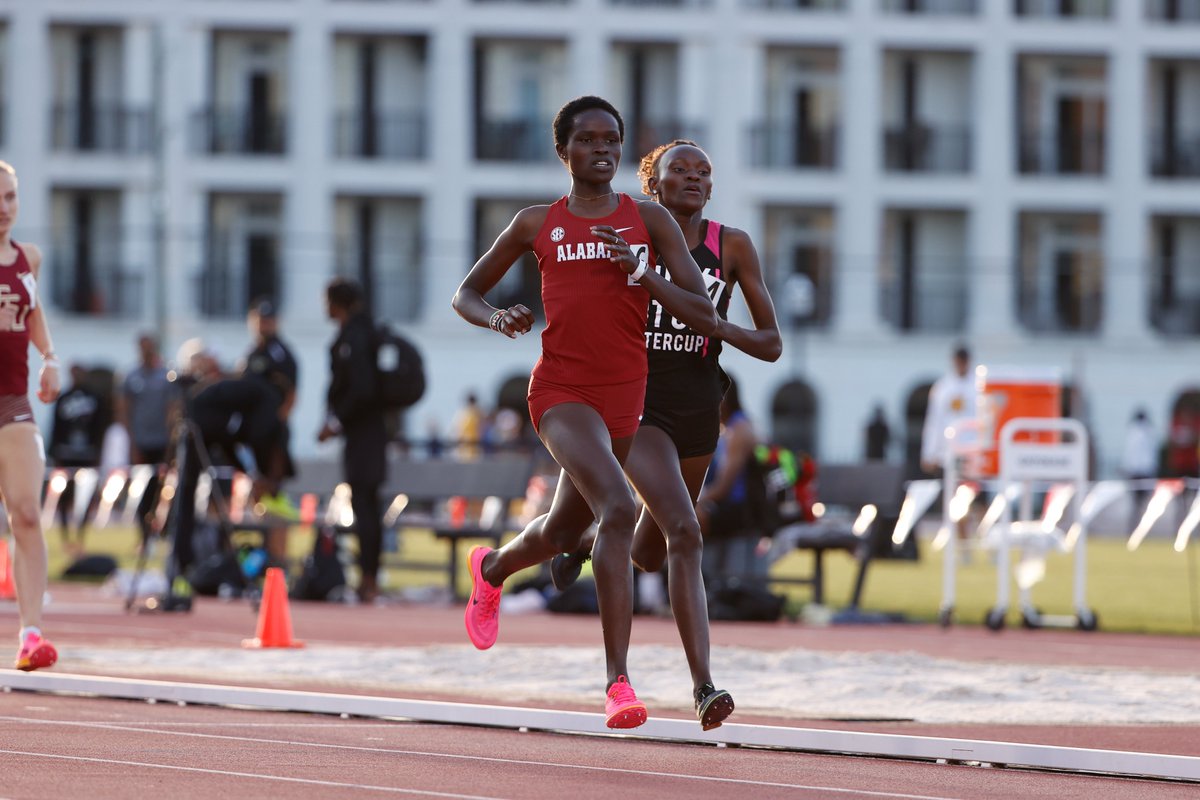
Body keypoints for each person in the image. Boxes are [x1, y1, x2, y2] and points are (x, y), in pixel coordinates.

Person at [452, 97, 720, 730]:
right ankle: (617, 684)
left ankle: (490, 570)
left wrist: (644, 274)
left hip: (625, 399)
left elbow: (703, 314)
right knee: (619, 509)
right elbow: (465, 292)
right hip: (562, 394)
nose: (602, 149)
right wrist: (496, 317)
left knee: (558, 532)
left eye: (612, 140)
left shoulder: (647, 219)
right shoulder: (534, 223)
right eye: (588, 139)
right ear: (564, 151)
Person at [551, 139, 782, 729]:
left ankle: (582, 544)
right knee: (686, 528)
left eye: (704, 170)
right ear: (653, 183)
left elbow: (772, 344)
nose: (695, 178)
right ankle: (704, 685)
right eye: (680, 169)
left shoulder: (731, 246)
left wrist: (708, 321)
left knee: (652, 552)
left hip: (699, 408)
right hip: (640, 402)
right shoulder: (630, 233)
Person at [0, 160, 61, 670]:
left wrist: (50, 358)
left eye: (10, 198)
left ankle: (30, 635)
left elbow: (34, 311)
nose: (4, 209)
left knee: (25, 513)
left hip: (13, 402)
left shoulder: (29, 257)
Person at [318, 277, 388, 604]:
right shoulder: (361, 332)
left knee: (365, 506)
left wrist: (335, 422)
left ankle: (369, 578)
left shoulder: (355, 336)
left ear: (338, 303)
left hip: (365, 434)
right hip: (368, 433)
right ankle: (369, 576)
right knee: (366, 505)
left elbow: (361, 389)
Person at [240, 297, 300, 559]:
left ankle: (278, 558)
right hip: (252, 436)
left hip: (272, 436)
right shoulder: (252, 354)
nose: (262, 325)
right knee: (257, 496)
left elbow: (290, 395)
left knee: (276, 499)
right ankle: (262, 557)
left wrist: (276, 424)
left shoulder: (281, 354)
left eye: (267, 319)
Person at [123, 333, 177, 547]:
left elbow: (172, 409)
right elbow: (124, 409)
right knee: (142, 488)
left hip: (162, 442)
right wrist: (131, 441)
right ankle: (144, 535)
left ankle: (164, 532)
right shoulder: (131, 376)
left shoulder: (166, 376)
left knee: (164, 487)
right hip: (141, 442)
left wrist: (170, 442)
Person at [48, 363, 106, 555]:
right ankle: (66, 538)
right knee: (64, 497)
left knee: (85, 497)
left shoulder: (94, 398)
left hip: (87, 455)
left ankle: (80, 537)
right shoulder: (63, 398)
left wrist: (98, 452)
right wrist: (54, 452)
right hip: (66, 455)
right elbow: (55, 426)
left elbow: (100, 427)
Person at [1121, 408, 1158, 532]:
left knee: (1137, 505)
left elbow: (1130, 455)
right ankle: (1139, 529)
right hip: (1144, 473)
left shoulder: (1133, 433)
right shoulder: (1148, 432)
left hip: (1136, 473)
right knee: (1141, 505)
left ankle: (1137, 529)